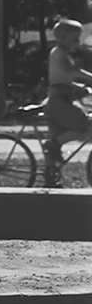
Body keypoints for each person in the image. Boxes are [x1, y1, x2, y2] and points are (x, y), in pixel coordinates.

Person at [44, 18, 92, 186]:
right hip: (60, 101)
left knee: (59, 137)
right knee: (87, 127)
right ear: (62, 37)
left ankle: (51, 178)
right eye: (75, 38)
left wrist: (80, 88)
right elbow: (71, 71)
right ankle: (54, 144)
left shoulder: (60, 54)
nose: (78, 42)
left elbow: (63, 78)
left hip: (61, 98)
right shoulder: (59, 54)